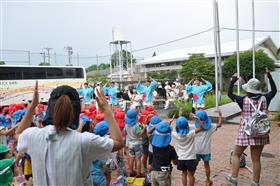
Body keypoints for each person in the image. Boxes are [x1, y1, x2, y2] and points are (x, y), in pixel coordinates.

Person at [16, 81, 123, 185]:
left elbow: (18, 134)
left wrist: (31, 108)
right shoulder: (84, 141)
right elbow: (118, 142)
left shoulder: (33, 136)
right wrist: (107, 110)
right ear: (75, 112)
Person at [226, 70, 277, 186]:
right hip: (260, 132)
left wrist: (233, 81)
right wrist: (270, 77)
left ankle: (234, 178)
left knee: (236, 154)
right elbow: (274, 91)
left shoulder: (242, 100)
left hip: (245, 132)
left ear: (248, 89)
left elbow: (230, 94)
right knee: (256, 159)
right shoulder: (265, 98)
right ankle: (255, 182)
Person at [172, 115, 204, 186]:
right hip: (191, 158)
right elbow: (202, 128)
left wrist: (171, 121)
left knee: (183, 174)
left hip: (181, 158)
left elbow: (167, 129)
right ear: (187, 126)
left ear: (177, 127)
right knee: (191, 175)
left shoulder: (175, 134)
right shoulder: (191, 133)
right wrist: (198, 119)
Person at [195, 110, 223, 186]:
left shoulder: (193, 127)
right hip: (206, 151)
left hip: (196, 150)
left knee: (195, 164)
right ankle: (207, 180)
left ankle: (192, 176)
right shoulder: (211, 127)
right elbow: (219, 125)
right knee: (206, 165)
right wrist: (220, 116)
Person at [151, 121, 178, 186]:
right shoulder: (171, 149)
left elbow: (148, 133)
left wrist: (155, 126)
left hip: (153, 172)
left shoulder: (153, 144)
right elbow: (175, 162)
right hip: (164, 174)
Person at [125, 109, 145, 177]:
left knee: (131, 158)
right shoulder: (136, 125)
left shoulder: (126, 124)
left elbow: (125, 133)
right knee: (138, 159)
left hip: (130, 144)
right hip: (137, 144)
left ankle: (131, 171)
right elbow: (140, 134)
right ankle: (138, 174)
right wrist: (144, 129)